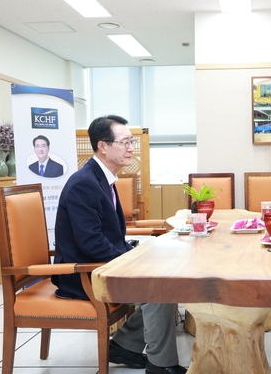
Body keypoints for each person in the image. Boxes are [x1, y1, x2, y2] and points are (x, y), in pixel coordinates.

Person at [51, 115, 186, 374]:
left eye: (131, 142)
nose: (131, 148)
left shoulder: (103, 179)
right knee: (159, 288)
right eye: (124, 142)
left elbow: (109, 237)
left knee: (163, 275)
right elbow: (91, 243)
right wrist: (131, 261)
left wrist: (135, 252)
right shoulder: (84, 184)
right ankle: (161, 366)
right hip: (83, 274)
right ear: (103, 146)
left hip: (99, 264)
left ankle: (124, 345)